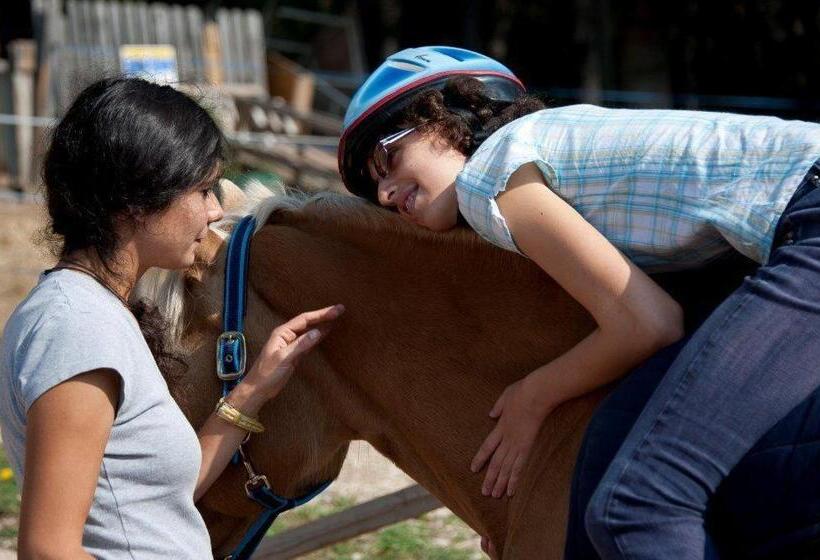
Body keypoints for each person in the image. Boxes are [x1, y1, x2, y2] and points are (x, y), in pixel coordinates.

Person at [337, 45, 820, 559]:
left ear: (452, 117)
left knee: (636, 507)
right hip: (791, 223)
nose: (386, 193)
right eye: (374, 191)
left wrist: (534, 394)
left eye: (388, 159)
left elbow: (649, 324)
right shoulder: (554, 152)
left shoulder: (492, 178)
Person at [0, 77, 344, 559]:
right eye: (203, 189)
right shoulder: (75, 328)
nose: (215, 210)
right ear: (136, 200)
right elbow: (48, 550)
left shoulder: (90, 311)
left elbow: (151, 500)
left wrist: (254, 389)